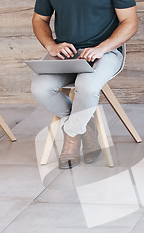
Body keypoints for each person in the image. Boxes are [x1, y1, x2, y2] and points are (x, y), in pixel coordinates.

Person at [31, 0, 137, 169]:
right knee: (40, 88)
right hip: (65, 52)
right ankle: (86, 124)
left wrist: (102, 48)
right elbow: (39, 20)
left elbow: (130, 23)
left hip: (106, 52)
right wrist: (51, 45)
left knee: (86, 87)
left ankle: (72, 134)